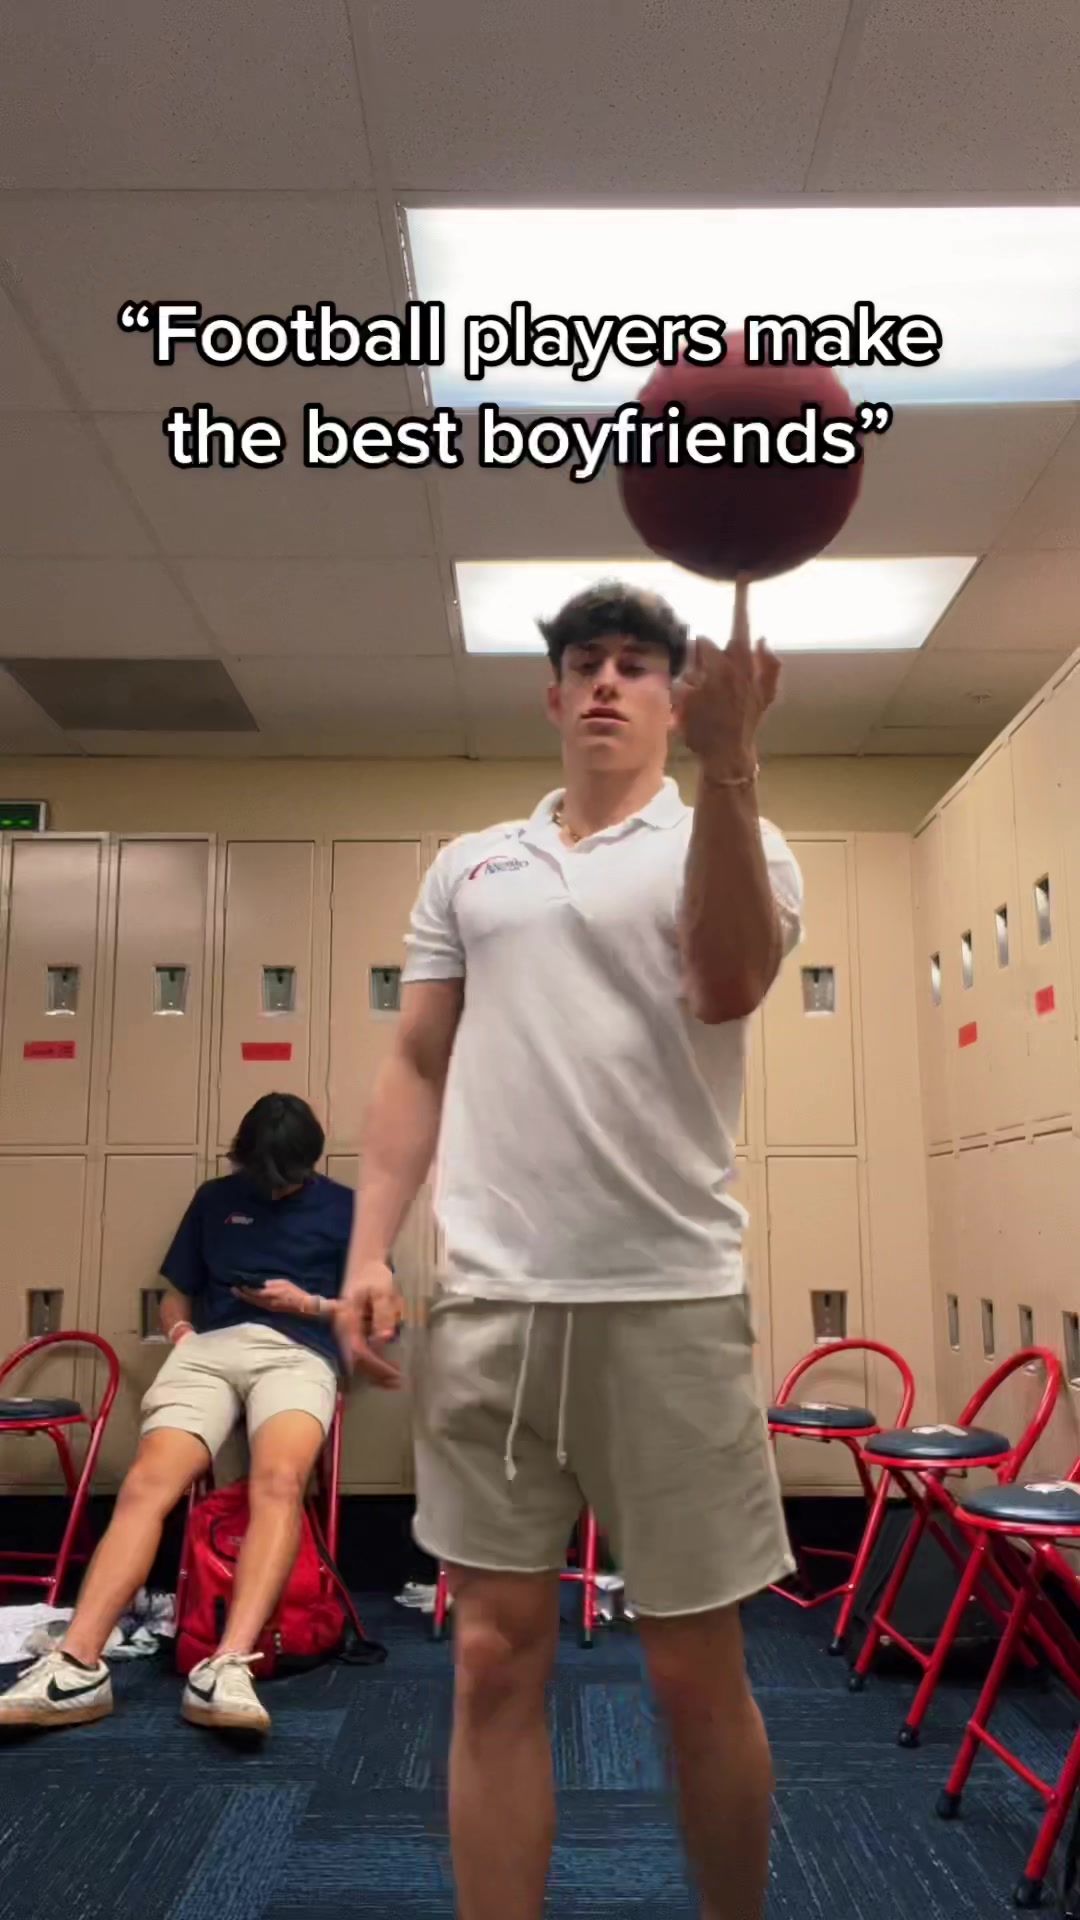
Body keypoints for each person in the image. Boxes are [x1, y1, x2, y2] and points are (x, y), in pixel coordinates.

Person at [338, 578, 804, 1920]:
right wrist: (370, 1249)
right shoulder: (472, 865)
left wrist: (733, 766)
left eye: (637, 664)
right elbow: (417, 1061)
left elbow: (727, 983)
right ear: (551, 696)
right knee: (490, 1656)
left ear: (674, 696)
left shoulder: (735, 837)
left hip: (668, 1302)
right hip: (491, 1305)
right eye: (586, 663)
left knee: (692, 1670)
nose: (608, 681)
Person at [0, 1093, 359, 1737]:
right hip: (210, 1351)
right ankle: (77, 1665)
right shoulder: (215, 1199)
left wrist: (305, 1303)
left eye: (285, 1181)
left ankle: (229, 1665)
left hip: (297, 1351)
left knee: (280, 1482)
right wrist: (182, 1335)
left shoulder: (346, 1208)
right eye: (261, 1178)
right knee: (147, 1484)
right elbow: (176, 1294)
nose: (272, 1190)